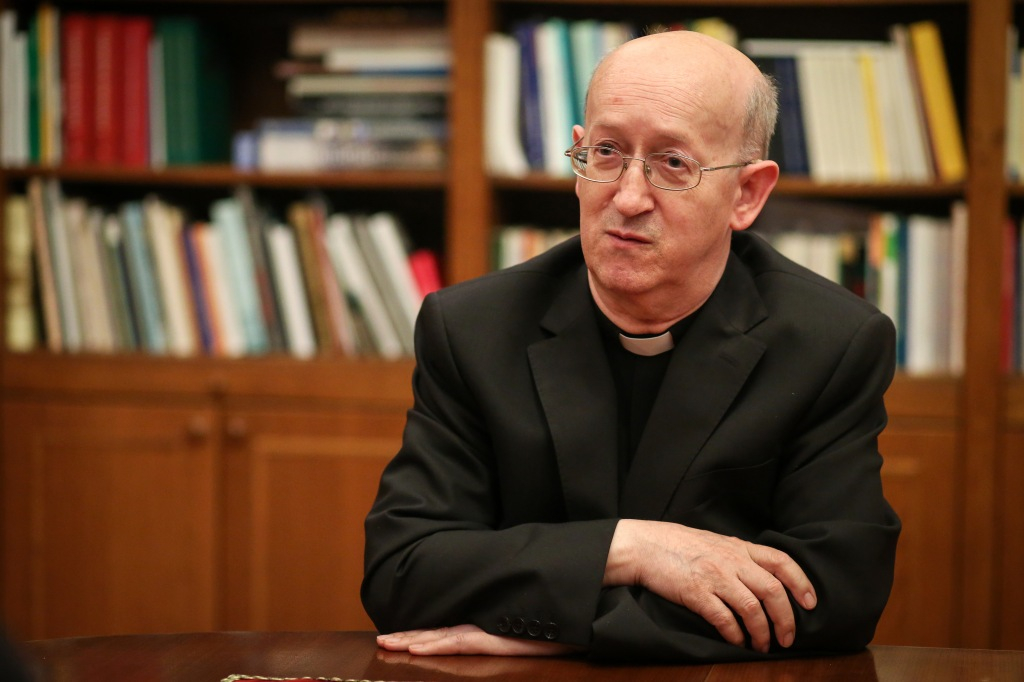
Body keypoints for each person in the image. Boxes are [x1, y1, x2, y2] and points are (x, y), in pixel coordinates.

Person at [361, 29, 900, 662]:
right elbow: (403, 571)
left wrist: (557, 632)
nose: (628, 196)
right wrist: (633, 548)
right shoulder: (473, 328)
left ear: (747, 194)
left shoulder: (830, 342)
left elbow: (833, 595)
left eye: (673, 163)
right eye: (608, 152)